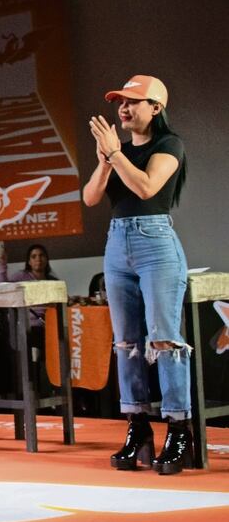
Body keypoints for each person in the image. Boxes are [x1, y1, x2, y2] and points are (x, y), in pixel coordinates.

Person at [82, 74, 190, 475]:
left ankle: (178, 429)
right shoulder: (118, 153)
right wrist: (104, 160)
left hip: (155, 242)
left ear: (156, 108)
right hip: (117, 244)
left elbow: (146, 188)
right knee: (126, 341)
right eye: (120, 103)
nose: (123, 109)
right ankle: (137, 426)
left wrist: (115, 155)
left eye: (132, 101)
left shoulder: (169, 145)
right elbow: (91, 197)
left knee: (164, 339)